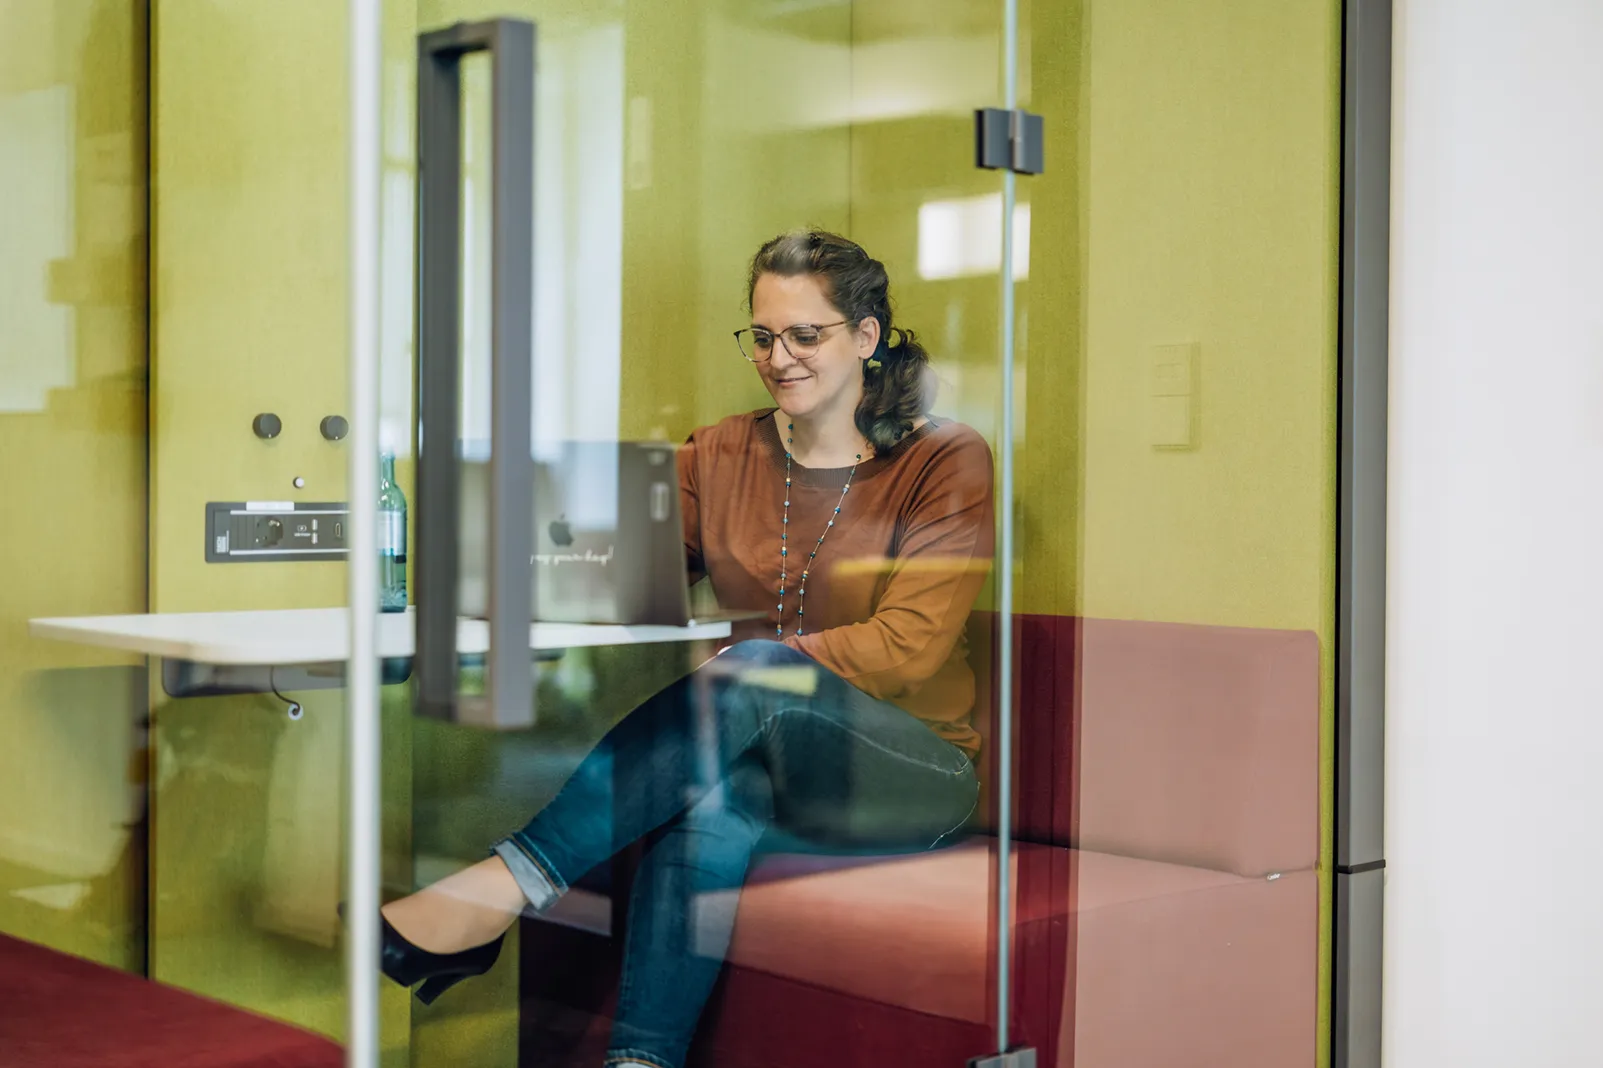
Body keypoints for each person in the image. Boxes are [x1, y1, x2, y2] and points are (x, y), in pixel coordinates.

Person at [377, 229, 995, 1068]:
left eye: (805, 335)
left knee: (755, 674)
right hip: (750, 753)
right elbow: (633, 581)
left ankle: (503, 883)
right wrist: (509, 578)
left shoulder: (943, 458)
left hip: (910, 771)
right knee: (714, 798)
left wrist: (754, 669)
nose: (780, 358)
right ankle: (639, 1063)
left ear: (865, 337)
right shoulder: (721, 451)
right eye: (763, 336)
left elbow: (909, 647)